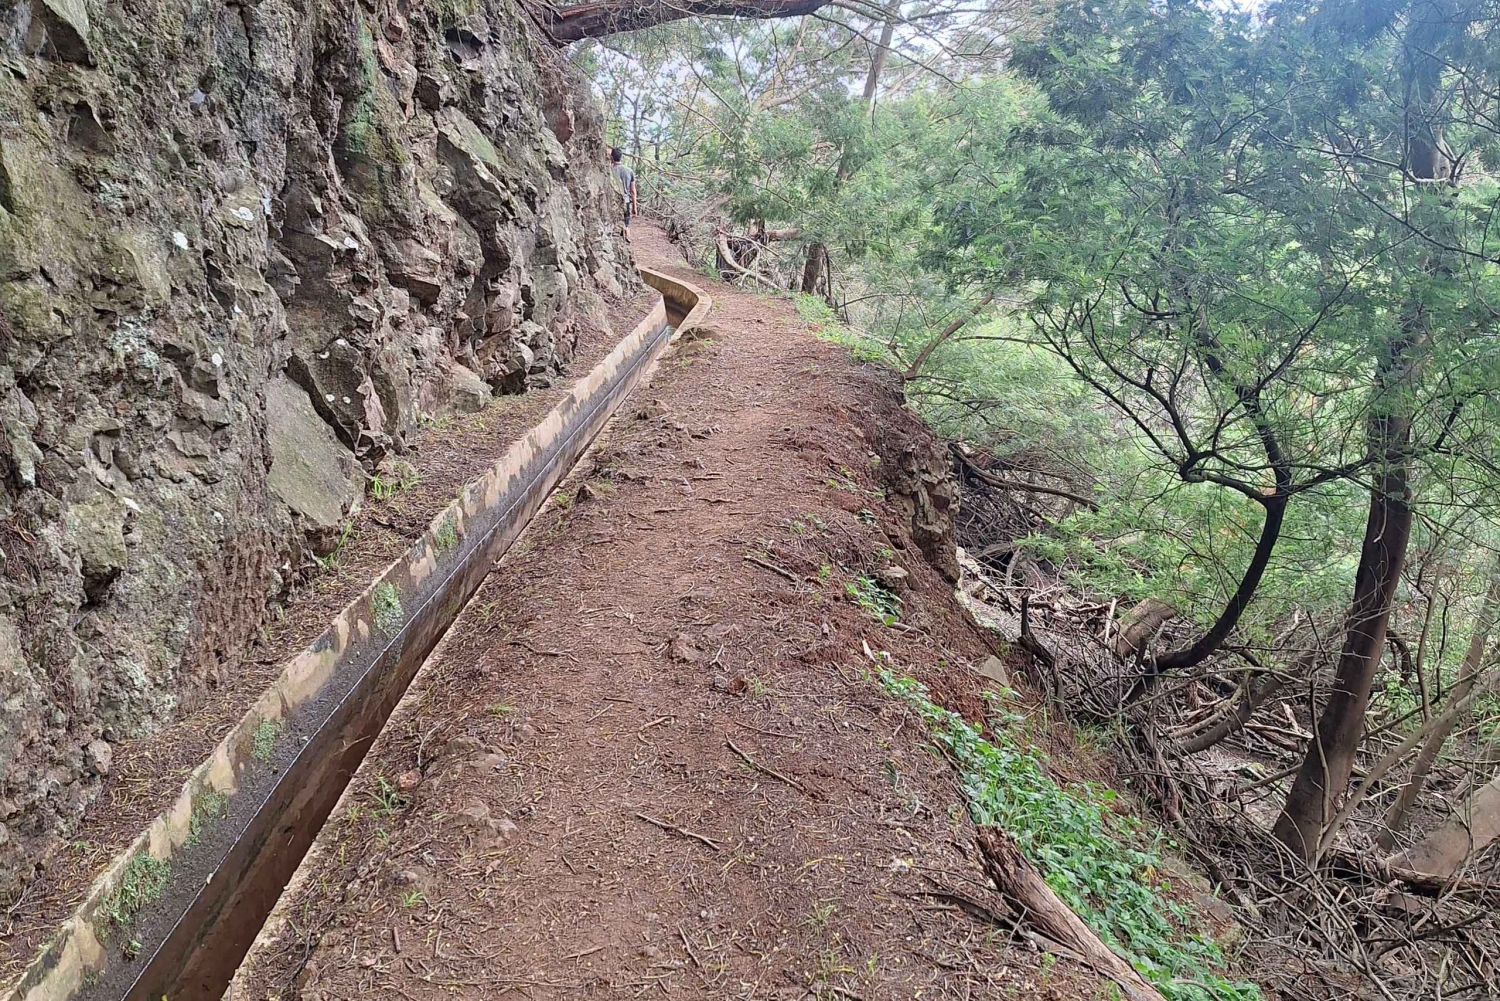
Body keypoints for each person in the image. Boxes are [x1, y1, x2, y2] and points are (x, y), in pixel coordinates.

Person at [610, 147, 637, 239]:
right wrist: (634, 207)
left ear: (611, 157)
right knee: (625, 224)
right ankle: (626, 235)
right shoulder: (629, 171)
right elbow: (633, 191)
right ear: (621, 157)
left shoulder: (609, 171)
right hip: (625, 201)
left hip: (612, 202)